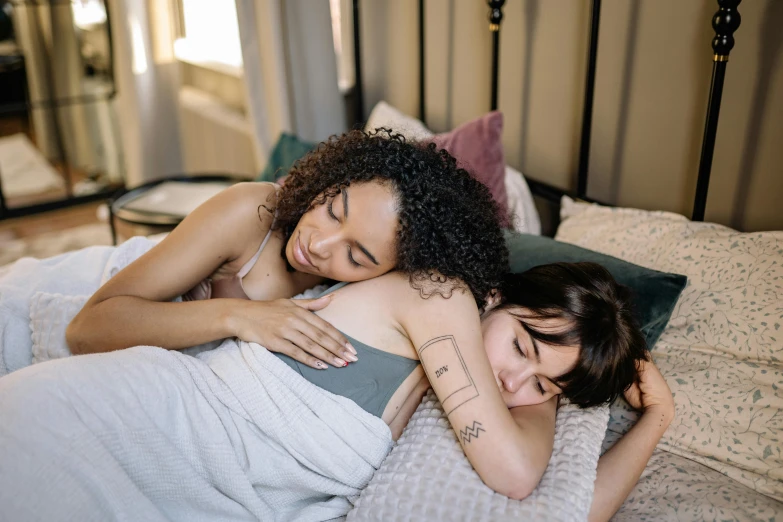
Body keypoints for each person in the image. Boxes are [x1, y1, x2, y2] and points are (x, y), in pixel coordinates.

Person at [66, 128, 508, 369]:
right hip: (89, 292)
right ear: (336, 177)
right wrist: (237, 315)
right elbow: (87, 328)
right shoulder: (250, 211)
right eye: (334, 210)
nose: (318, 243)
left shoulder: (386, 292)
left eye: (356, 256)